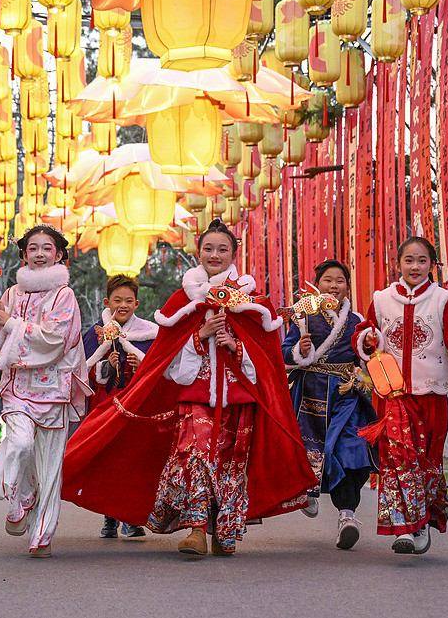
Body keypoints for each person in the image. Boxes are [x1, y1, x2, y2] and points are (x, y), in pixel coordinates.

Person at [62, 220, 316, 557]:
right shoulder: (183, 300)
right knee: (195, 456)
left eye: (222, 249)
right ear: (198, 253)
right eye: (208, 248)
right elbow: (168, 362)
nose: (215, 254)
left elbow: (266, 362)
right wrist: (202, 335)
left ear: (233, 253)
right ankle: (197, 528)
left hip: (238, 399)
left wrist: (235, 345)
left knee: (231, 463)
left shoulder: (252, 301)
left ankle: (224, 532)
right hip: (195, 394)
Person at [353, 236, 448, 555]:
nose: (415, 266)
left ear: (433, 264)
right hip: (395, 396)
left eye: (421, 260)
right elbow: (362, 335)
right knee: (400, 459)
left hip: (434, 397)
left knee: (427, 463)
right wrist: (366, 338)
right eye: (408, 260)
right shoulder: (381, 299)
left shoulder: (443, 299)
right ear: (398, 264)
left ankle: (428, 514)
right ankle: (409, 527)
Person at [0, 225, 88, 559]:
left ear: (59, 255)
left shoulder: (64, 296)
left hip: (53, 389)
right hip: (16, 388)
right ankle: (21, 497)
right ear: (23, 254)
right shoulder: (11, 294)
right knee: (21, 444)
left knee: (50, 466)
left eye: (47, 248)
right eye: (33, 248)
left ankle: (42, 535)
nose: (39, 254)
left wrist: (10, 324)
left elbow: (54, 339)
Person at [282, 259, 376, 550]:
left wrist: (371, 343)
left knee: (353, 449)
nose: (334, 286)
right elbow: (286, 351)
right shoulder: (303, 317)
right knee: (308, 450)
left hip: (345, 395)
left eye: (340, 281)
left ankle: (347, 516)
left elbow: (367, 352)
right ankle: (306, 491)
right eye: (327, 280)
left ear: (348, 286)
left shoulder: (357, 319)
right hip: (309, 396)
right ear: (317, 284)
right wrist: (301, 350)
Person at [82, 274, 158, 539]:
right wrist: (106, 365)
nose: (122, 305)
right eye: (117, 300)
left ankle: (132, 518)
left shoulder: (149, 332)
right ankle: (109, 518)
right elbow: (83, 372)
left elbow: (161, 369)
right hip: (106, 406)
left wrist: (141, 367)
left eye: (128, 300)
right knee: (109, 461)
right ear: (107, 301)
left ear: (137, 303)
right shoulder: (96, 333)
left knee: (134, 462)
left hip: (139, 407)